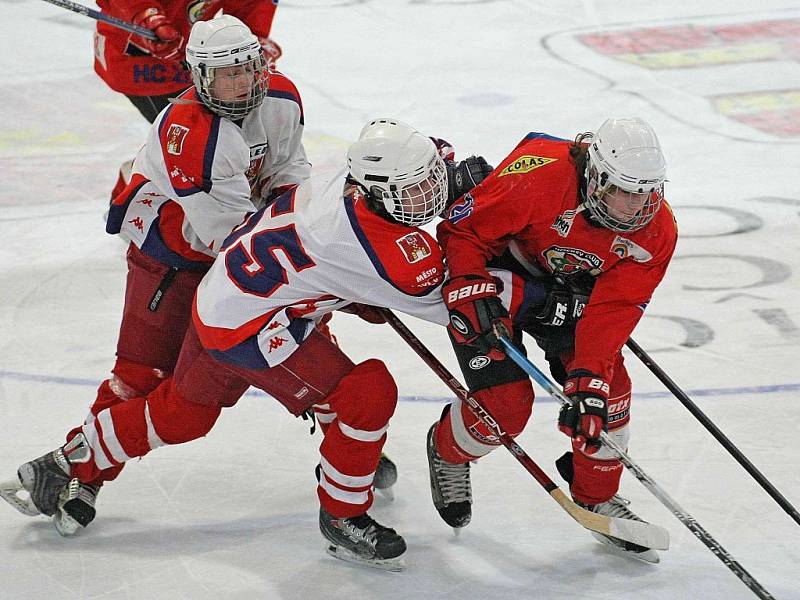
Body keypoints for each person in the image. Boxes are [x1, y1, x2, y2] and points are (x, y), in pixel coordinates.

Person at [0, 119, 491, 570]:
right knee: (368, 392)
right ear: (377, 191)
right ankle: (343, 515)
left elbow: (408, 179)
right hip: (257, 333)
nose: (427, 196)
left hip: (219, 301)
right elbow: (457, 304)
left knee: (184, 413)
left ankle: (65, 463)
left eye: (430, 181)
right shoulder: (384, 251)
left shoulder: (348, 179)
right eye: (415, 189)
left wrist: (442, 183)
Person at [0, 14, 307, 536]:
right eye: (225, 74)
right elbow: (223, 239)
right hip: (170, 252)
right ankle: (82, 470)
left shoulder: (281, 99)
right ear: (197, 77)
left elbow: (290, 169)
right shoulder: (191, 134)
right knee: (142, 375)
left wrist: (289, 212)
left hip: (238, 243)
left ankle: (352, 438)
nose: (241, 83)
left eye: (247, 69)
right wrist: (300, 258)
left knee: (302, 337)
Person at [429, 118, 677, 563]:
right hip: (500, 280)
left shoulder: (656, 231)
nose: (634, 206)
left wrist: (588, 379)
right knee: (504, 408)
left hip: (565, 294)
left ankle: (595, 495)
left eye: (644, 192)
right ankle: (448, 449)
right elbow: (461, 231)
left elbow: (615, 309)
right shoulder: (540, 176)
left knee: (608, 394)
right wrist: (468, 284)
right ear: (596, 176)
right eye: (622, 190)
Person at [94, 0, 283, 200]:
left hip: (196, 61)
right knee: (199, 146)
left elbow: (249, 5)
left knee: (227, 138)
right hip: (137, 61)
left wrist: (251, 40)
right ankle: (131, 194)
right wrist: (145, 17)